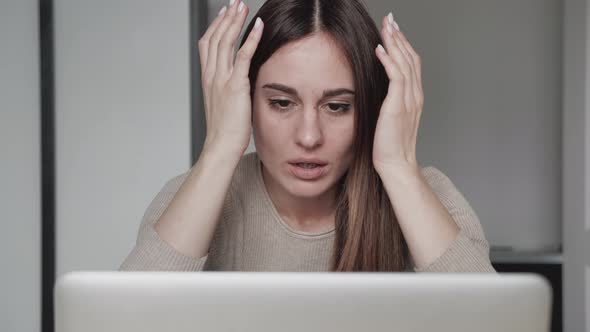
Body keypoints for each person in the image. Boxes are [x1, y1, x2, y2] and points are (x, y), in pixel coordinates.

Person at [119, 0, 496, 273]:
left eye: (337, 107)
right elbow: (123, 323)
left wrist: (397, 167)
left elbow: (496, 322)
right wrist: (218, 148)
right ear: (246, 101)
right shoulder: (193, 196)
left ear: (371, 108)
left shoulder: (430, 197)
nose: (309, 136)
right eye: (282, 103)